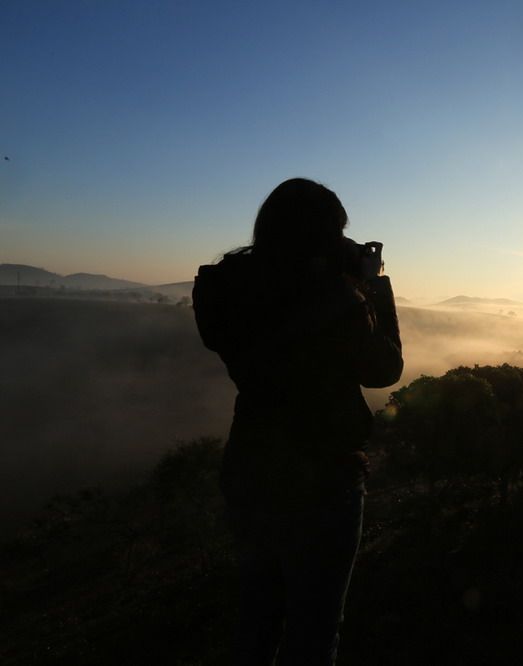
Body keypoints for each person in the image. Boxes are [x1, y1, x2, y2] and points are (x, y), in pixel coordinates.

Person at [193, 178, 403, 665]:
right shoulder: (336, 300)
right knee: (313, 631)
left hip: (248, 467)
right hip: (322, 480)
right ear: (327, 234)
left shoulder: (231, 287)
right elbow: (383, 371)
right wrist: (372, 286)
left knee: (257, 619)